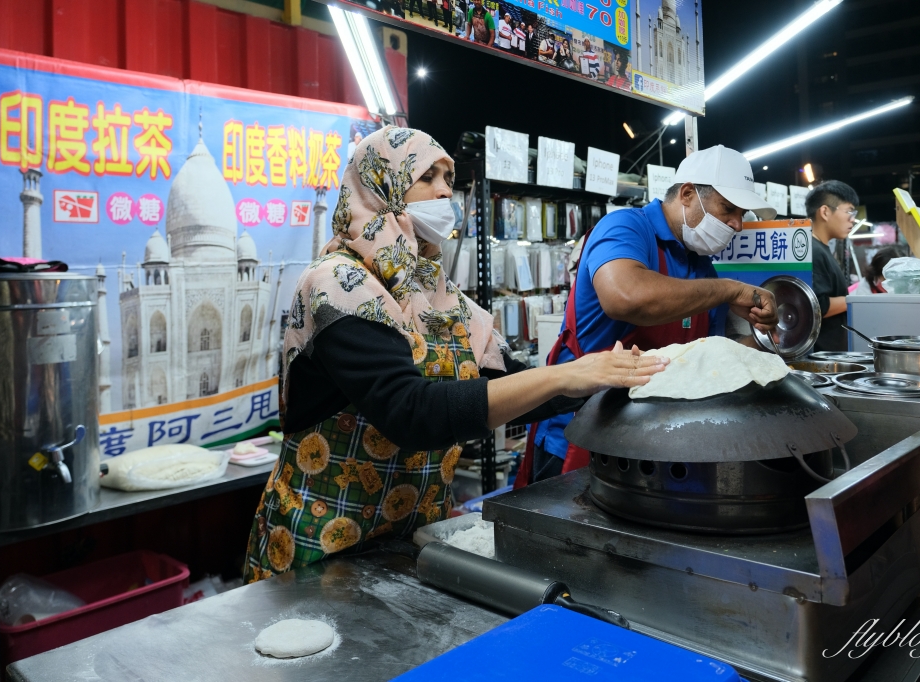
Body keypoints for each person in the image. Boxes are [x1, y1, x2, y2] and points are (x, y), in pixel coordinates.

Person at [244, 127, 668, 583]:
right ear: (379, 183)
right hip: (320, 547)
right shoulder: (338, 284)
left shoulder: (440, 297)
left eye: (449, 176)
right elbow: (409, 412)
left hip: (412, 542)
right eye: (428, 175)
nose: (447, 190)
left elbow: (515, 384)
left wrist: (610, 377)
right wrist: (565, 375)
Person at [518, 145, 780, 487]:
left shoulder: (702, 268)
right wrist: (730, 289)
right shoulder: (626, 227)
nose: (737, 224)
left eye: (741, 213)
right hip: (583, 432)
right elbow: (626, 298)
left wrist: (766, 338)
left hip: (654, 439)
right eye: (728, 208)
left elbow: (711, 354)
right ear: (687, 194)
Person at [805, 180, 859, 352]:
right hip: (822, 356)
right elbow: (818, 306)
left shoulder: (821, 248)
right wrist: (856, 300)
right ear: (825, 212)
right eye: (849, 211)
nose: (853, 219)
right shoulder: (814, 251)